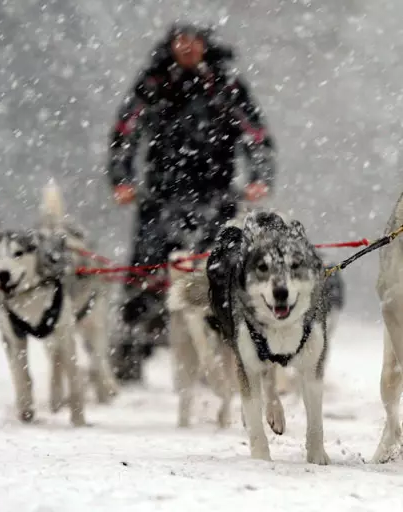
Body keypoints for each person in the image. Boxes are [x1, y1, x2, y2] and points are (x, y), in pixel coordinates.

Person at [106, 23, 276, 383]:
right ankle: (131, 349)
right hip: (160, 196)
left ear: (205, 46)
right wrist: (121, 179)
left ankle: (223, 350)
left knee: (218, 275)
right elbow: (125, 133)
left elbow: (255, 135)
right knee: (145, 272)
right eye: (180, 42)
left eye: (194, 41)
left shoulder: (225, 84)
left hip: (216, 196)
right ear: (170, 47)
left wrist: (260, 177)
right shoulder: (153, 84)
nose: (187, 48)